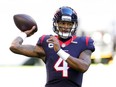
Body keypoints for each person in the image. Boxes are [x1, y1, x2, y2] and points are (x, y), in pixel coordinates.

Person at [9, 6, 95, 87]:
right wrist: (24, 34)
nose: (65, 27)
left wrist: (59, 51)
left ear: (74, 25)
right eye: (62, 23)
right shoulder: (47, 42)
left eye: (69, 24)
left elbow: (83, 67)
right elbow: (14, 47)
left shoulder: (84, 42)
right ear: (56, 23)